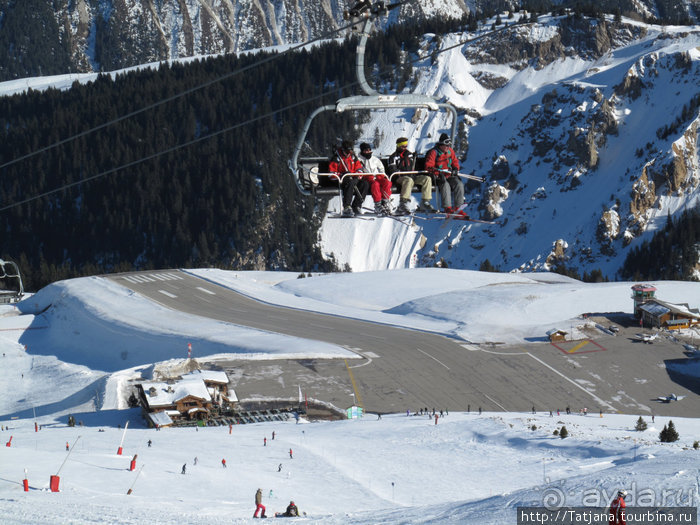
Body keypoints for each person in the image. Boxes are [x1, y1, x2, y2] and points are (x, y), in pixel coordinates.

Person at [388, 137, 436, 215]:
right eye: (403, 146)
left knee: (427, 179)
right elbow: (392, 170)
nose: (405, 148)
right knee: (408, 180)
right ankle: (403, 203)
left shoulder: (409, 155)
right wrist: (401, 174)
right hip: (399, 178)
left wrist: (414, 159)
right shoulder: (393, 157)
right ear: (398, 146)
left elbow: (415, 167)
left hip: (412, 176)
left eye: (406, 146)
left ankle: (425, 202)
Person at [424, 133, 465, 215]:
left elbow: (455, 162)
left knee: (459, 184)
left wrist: (455, 169)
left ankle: (458, 208)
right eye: (446, 145)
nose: (447, 147)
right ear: (441, 145)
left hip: (448, 174)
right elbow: (428, 166)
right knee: (445, 185)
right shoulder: (433, 153)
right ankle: (447, 208)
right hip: (438, 177)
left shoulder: (450, 151)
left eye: (449, 145)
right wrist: (437, 173)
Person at [329, 139, 363, 217]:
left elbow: (359, 167)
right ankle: (347, 206)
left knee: (364, 184)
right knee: (349, 183)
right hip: (341, 180)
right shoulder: (337, 158)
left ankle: (356, 205)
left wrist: (357, 174)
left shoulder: (353, 157)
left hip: (352, 178)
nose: (349, 154)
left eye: (351, 152)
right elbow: (331, 174)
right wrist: (342, 175)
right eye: (347, 152)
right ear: (343, 150)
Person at [357, 142, 392, 215]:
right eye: (366, 150)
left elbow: (382, 169)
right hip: (367, 179)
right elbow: (358, 170)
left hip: (377, 177)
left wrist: (381, 175)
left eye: (369, 150)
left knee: (387, 182)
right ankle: (378, 205)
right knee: (375, 184)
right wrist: (365, 175)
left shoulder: (375, 159)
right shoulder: (359, 160)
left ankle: (385, 202)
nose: (368, 152)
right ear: (362, 151)